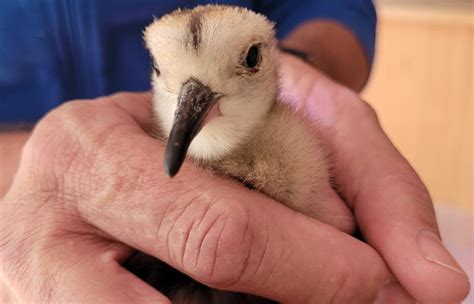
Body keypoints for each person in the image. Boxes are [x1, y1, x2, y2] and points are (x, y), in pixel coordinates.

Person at [0, 1, 469, 303]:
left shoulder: (293, 144)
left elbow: (335, 4)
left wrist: (307, 67)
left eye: (247, 61)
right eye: (168, 72)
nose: (196, 100)